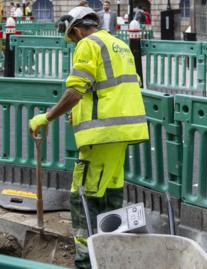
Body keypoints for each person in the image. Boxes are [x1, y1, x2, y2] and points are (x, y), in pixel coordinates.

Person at [29, 6, 148, 269]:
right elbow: (109, 89)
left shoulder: (87, 45)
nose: (72, 41)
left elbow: (75, 90)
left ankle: (87, 261)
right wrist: (80, 113)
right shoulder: (119, 44)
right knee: (111, 192)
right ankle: (113, 255)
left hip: (102, 134)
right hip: (124, 132)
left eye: (71, 36)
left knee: (82, 194)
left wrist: (46, 117)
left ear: (77, 28)